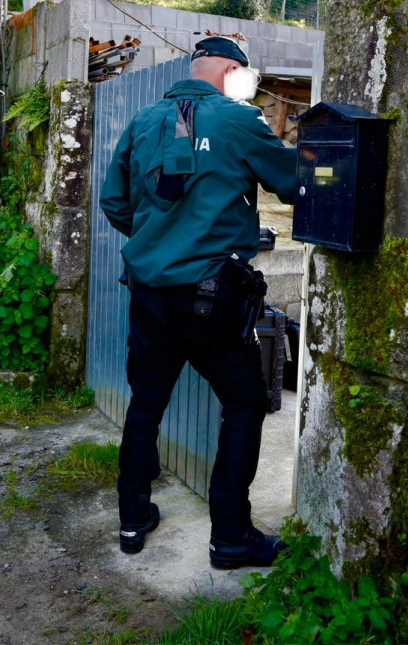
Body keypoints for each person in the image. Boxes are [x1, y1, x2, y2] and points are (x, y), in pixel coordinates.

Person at [99, 36, 298, 569]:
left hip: (149, 293)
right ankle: (230, 537)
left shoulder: (143, 122)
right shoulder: (237, 119)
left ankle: (132, 519)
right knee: (246, 402)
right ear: (232, 70)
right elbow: (292, 182)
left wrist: (157, 239)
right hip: (211, 297)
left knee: (146, 403)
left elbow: (114, 201)